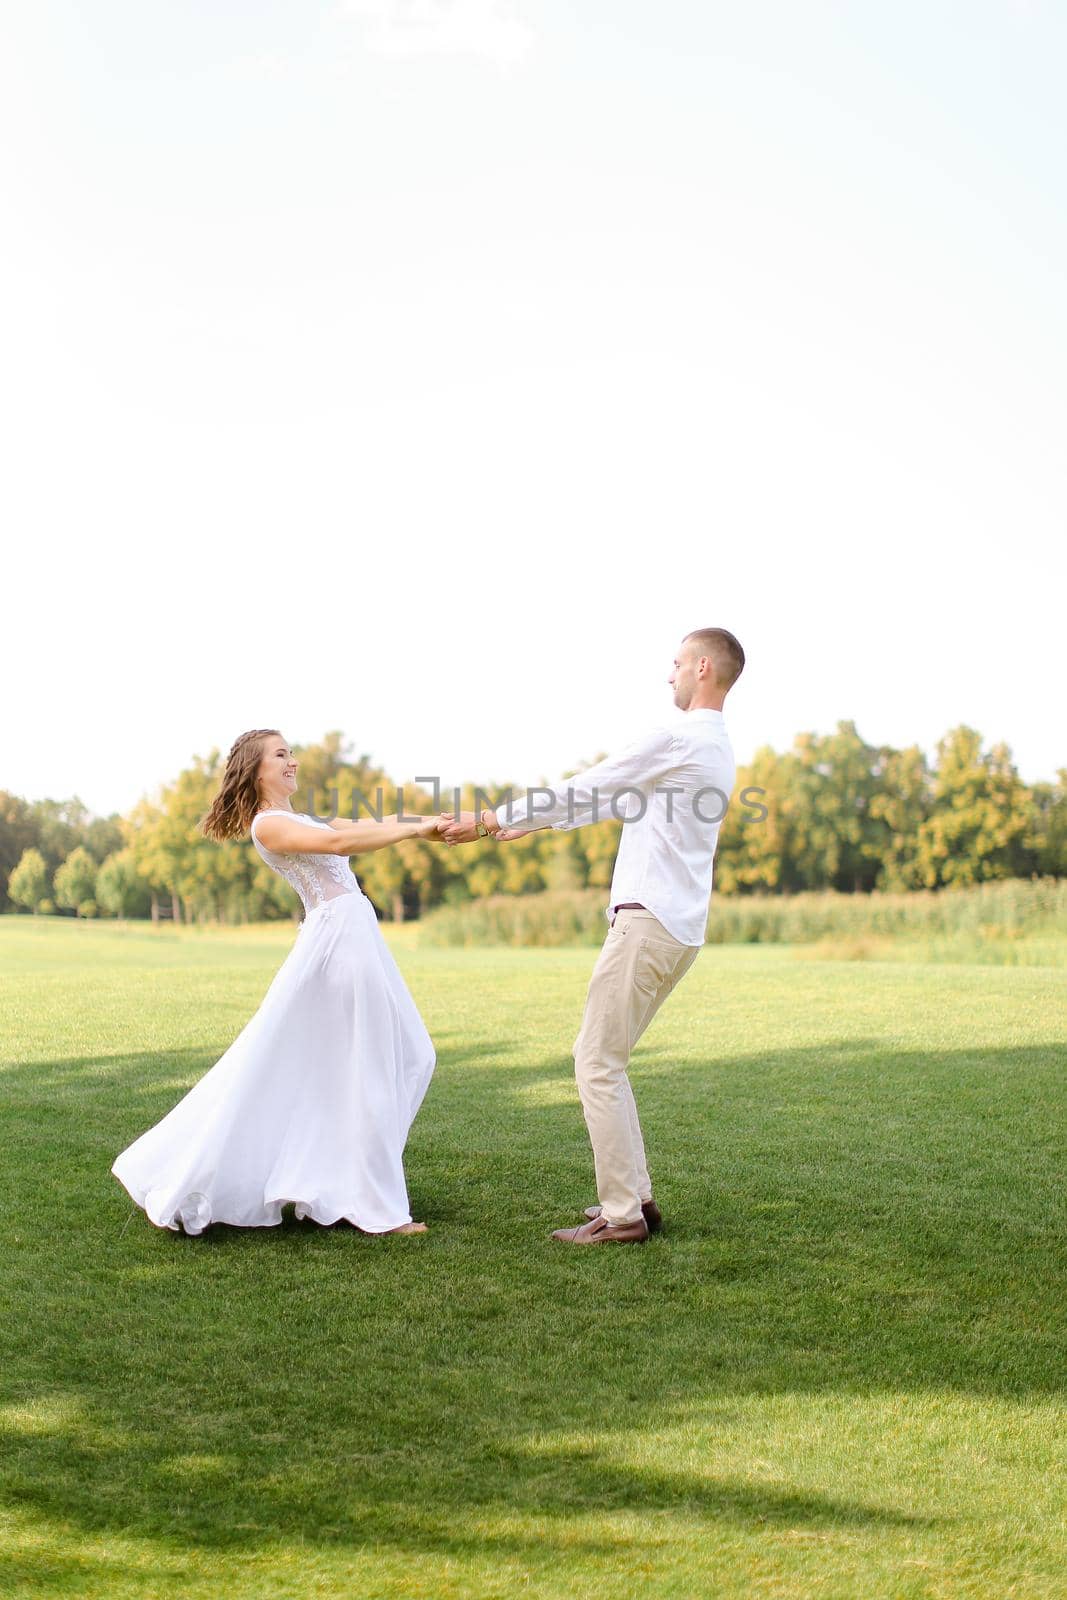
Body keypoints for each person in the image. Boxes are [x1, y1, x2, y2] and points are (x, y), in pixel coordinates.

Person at [442, 628, 743, 1244]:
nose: (670, 675)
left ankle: (623, 1215)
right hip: (676, 928)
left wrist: (494, 818)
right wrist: (531, 828)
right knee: (610, 1060)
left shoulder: (678, 736)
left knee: (595, 1061)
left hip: (647, 921)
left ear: (703, 667)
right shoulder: (715, 748)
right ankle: (639, 1199)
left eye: (678, 663)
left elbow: (594, 784)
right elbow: (613, 802)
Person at [112, 729, 448, 1237]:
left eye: (291, 752)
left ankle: (345, 1183)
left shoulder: (299, 818)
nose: (293, 761)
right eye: (281, 754)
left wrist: (432, 824)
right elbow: (339, 842)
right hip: (340, 940)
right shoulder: (268, 825)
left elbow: (357, 825)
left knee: (413, 1055)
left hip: (356, 935)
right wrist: (413, 833)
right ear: (256, 768)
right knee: (373, 1065)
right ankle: (378, 1210)